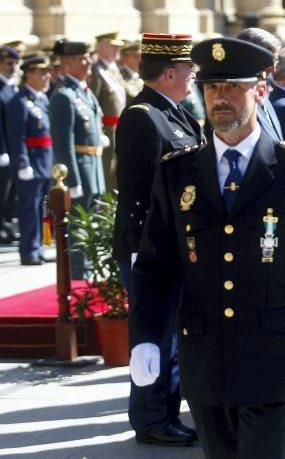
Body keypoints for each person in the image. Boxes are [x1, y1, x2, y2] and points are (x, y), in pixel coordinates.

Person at [128, 36, 285, 458]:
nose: (221, 99)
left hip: (274, 360)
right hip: (206, 361)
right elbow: (155, 265)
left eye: (233, 87)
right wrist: (145, 336)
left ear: (260, 90)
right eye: (213, 88)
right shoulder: (179, 172)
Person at [111, 33, 202, 447]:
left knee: (173, 336)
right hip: (150, 248)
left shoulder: (178, 114)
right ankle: (150, 420)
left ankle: (167, 412)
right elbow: (138, 192)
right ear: (169, 73)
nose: (194, 76)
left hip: (176, 245)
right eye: (189, 70)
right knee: (154, 334)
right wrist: (138, 252)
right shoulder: (142, 116)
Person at [50, 39, 106, 279]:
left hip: (94, 166)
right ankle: (77, 273)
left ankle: (88, 269)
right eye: (83, 59)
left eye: (88, 57)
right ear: (68, 62)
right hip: (79, 170)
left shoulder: (85, 92)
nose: (89, 62)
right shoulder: (63, 96)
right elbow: (63, 144)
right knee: (77, 226)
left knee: (91, 222)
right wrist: (71, 181)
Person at [4, 53, 53, 265]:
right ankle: (29, 250)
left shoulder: (41, 99)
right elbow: (17, 136)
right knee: (29, 209)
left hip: (44, 161)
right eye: (42, 73)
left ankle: (39, 246)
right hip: (31, 162)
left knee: (41, 208)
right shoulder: (19, 101)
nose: (47, 76)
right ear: (29, 75)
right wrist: (22, 162)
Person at [89, 32, 127, 192]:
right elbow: (93, 104)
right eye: (113, 46)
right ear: (101, 47)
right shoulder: (96, 71)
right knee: (107, 169)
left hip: (119, 128)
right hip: (107, 130)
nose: (118, 49)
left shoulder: (113, 70)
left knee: (117, 169)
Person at [237, 27, 284, 143]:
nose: (273, 69)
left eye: (275, 62)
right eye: (269, 62)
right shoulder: (237, 99)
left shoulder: (262, 91)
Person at [0, 46, 21, 244]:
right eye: (8, 63)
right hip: (3, 150)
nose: (13, 67)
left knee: (12, 191)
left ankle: (7, 223)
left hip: (15, 150)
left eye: (15, 63)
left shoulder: (13, 87)